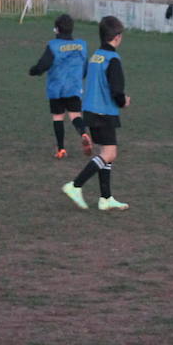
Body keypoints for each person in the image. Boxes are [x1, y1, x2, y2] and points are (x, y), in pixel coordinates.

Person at [62, 16, 130, 211]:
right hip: (104, 111)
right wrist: (124, 101)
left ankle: (106, 198)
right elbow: (117, 92)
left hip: (91, 110)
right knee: (110, 153)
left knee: (105, 154)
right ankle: (75, 186)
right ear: (117, 37)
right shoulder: (113, 60)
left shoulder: (96, 56)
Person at [28, 13, 90, 158]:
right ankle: (84, 133)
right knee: (75, 115)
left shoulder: (53, 46)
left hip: (57, 88)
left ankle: (61, 149)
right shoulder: (81, 45)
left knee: (58, 117)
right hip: (74, 87)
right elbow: (84, 65)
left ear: (57, 30)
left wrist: (34, 71)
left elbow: (43, 64)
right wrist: (81, 78)